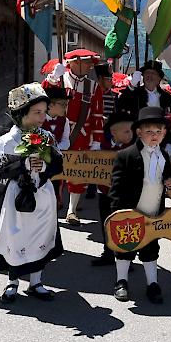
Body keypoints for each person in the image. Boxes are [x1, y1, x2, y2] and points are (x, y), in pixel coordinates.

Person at [0, 83, 64, 303]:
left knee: (40, 236)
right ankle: (13, 282)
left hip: (43, 196)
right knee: (16, 237)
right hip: (17, 198)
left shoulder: (46, 136)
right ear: (21, 113)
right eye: (36, 112)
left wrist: (44, 166)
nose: (42, 117)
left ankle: (36, 281)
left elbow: (58, 164)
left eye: (44, 112)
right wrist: (24, 164)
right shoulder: (8, 141)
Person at [108, 107, 171, 303]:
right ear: (139, 132)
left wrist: (170, 179)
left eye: (159, 132)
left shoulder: (163, 155)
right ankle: (121, 281)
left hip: (153, 212)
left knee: (150, 248)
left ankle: (152, 283)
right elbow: (117, 187)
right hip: (130, 211)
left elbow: (168, 173)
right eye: (149, 132)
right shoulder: (126, 155)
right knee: (125, 247)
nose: (154, 136)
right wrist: (116, 213)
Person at [61, 49, 105, 226]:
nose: (90, 66)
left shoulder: (93, 87)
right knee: (54, 171)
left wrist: (96, 141)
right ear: (74, 63)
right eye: (87, 62)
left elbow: (97, 115)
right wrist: (50, 83)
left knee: (78, 174)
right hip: (58, 132)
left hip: (81, 135)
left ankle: (71, 210)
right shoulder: (58, 81)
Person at [90, 111, 135, 267]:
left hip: (124, 194)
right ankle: (108, 253)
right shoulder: (102, 146)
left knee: (124, 225)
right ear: (113, 132)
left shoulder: (133, 148)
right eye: (126, 131)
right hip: (104, 191)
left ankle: (125, 258)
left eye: (131, 130)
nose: (130, 134)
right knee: (106, 223)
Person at [42, 86, 71, 209]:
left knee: (55, 185)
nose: (66, 107)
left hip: (55, 160)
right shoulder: (40, 119)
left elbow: (66, 141)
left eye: (66, 104)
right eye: (63, 104)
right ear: (50, 105)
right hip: (41, 160)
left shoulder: (65, 121)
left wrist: (54, 148)